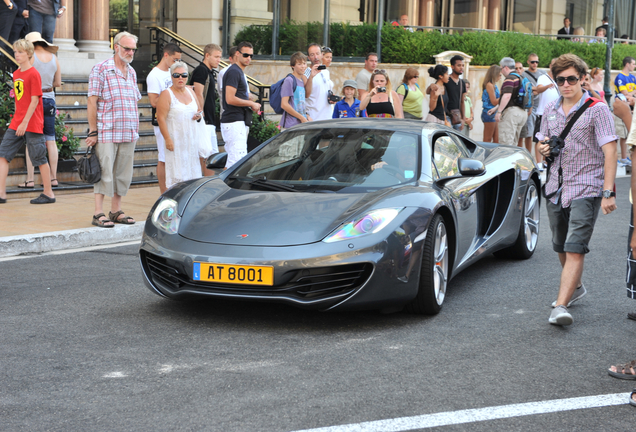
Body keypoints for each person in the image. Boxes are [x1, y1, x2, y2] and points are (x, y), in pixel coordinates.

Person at [536, 53, 618, 326]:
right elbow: (541, 143)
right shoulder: (549, 110)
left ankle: (560, 306)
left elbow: (610, 151)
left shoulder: (598, 109)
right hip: (556, 186)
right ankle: (577, 287)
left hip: (587, 186)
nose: (566, 84)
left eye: (572, 78)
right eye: (561, 79)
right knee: (559, 244)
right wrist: (543, 148)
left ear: (582, 78)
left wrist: (608, 192)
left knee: (574, 247)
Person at [86, 31, 141, 228]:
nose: (130, 52)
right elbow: (92, 102)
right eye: (127, 48)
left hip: (128, 130)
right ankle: (98, 212)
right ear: (116, 47)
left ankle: (116, 210)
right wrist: (93, 131)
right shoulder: (100, 69)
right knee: (104, 172)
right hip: (107, 131)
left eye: (133, 49)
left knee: (122, 174)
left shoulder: (132, 72)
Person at [0, 38, 55, 205]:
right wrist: (18, 120)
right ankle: (1, 193)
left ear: (29, 54)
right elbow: (19, 100)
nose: (16, 55)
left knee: (39, 157)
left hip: (32, 122)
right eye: (15, 52)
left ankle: (48, 193)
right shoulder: (16, 74)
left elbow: (34, 101)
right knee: (3, 154)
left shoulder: (34, 74)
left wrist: (24, 122)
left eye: (20, 52)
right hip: (18, 121)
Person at [17, 32, 61, 190]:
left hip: (34, 101)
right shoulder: (53, 57)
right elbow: (57, 82)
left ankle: (30, 180)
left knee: (32, 141)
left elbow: (21, 79)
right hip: (49, 100)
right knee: (50, 139)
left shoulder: (30, 58)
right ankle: (53, 178)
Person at [156, 61, 205, 189]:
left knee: (192, 174)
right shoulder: (166, 94)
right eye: (176, 75)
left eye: (184, 75)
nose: (180, 78)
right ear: (171, 77)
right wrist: (167, 139)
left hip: (191, 142)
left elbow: (199, 110)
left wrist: (198, 115)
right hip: (175, 141)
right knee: (177, 175)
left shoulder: (191, 92)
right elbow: (160, 118)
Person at [146, 42, 182, 194]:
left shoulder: (172, 72)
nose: (177, 63)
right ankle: (163, 191)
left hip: (176, 120)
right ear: (166, 55)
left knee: (174, 155)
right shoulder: (154, 75)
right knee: (163, 156)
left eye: (179, 60)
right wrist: (169, 98)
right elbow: (154, 102)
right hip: (163, 120)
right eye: (175, 59)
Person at [221, 41, 260, 169]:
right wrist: (250, 103)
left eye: (251, 56)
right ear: (237, 54)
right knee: (235, 162)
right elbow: (230, 99)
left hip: (237, 120)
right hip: (233, 121)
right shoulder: (234, 72)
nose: (248, 58)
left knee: (236, 160)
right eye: (245, 55)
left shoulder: (238, 72)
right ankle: (223, 188)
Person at [190, 43, 221, 176]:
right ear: (207, 55)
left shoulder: (209, 71)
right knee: (209, 155)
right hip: (204, 121)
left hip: (208, 120)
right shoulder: (201, 70)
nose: (218, 60)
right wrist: (201, 113)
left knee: (211, 155)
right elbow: (198, 93)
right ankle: (207, 185)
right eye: (216, 57)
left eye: (220, 57)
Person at [533, 58, 560, 169]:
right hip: (542, 113)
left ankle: (546, 161)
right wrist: (547, 86)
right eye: (554, 65)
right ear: (550, 65)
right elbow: (538, 90)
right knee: (540, 138)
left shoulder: (560, 79)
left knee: (552, 138)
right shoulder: (543, 78)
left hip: (556, 114)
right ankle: (539, 163)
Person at [496, 57, 527, 146]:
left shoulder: (510, 78)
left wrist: (499, 112)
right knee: (514, 144)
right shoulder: (520, 77)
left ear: (506, 67)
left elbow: (507, 96)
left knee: (506, 144)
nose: (501, 71)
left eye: (501, 68)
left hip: (511, 114)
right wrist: (496, 108)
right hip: (522, 113)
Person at [518, 53, 544, 155]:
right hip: (529, 107)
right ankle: (527, 155)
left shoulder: (542, 74)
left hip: (541, 107)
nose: (535, 64)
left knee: (539, 135)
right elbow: (525, 91)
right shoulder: (524, 75)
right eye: (533, 62)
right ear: (528, 62)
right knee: (528, 133)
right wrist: (537, 90)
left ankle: (538, 159)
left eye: (536, 62)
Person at [304, 42, 335, 121]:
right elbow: (304, 95)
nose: (315, 57)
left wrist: (331, 98)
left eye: (317, 53)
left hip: (328, 117)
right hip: (314, 119)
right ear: (308, 58)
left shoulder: (325, 72)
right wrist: (306, 115)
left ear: (322, 54)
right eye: (312, 55)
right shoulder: (306, 73)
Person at [614, 56, 636, 165]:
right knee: (622, 134)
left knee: (628, 134)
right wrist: (632, 93)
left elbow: (630, 93)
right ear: (627, 64)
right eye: (633, 64)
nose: (634, 66)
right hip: (622, 108)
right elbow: (625, 94)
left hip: (631, 108)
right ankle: (623, 157)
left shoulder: (632, 77)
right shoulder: (620, 77)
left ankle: (626, 157)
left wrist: (630, 94)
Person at [280, 51, 310, 128]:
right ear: (293, 66)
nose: (303, 66)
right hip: (290, 125)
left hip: (301, 124)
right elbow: (284, 104)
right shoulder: (289, 80)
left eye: (304, 63)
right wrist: (301, 117)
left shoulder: (301, 80)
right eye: (299, 64)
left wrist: (306, 115)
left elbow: (299, 102)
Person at [481, 65, 501, 143]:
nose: (500, 77)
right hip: (489, 113)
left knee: (496, 140)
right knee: (487, 139)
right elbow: (494, 101)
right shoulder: (489, 85)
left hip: (493, 113)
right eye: (499, 75)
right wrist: (504, 96)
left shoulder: (493, 85)